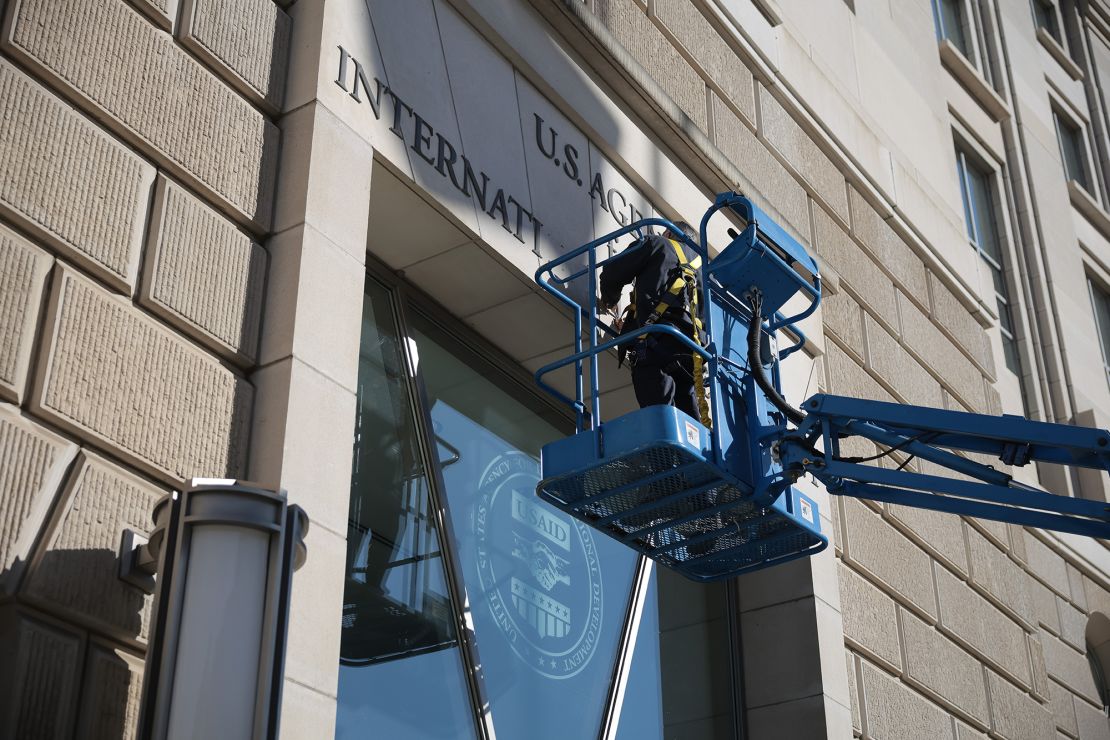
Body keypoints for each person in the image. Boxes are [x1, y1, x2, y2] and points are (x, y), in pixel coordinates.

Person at [598, 221, 707, 423]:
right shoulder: (706, 274)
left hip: (655, 347)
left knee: (659, 413)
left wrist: (610, 299)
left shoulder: (657, 244)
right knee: (688, 415)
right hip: (691, 355)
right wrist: (631, 325)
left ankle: (668, 450)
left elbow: (613, 272)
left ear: (669, 233)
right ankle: (691, 451)